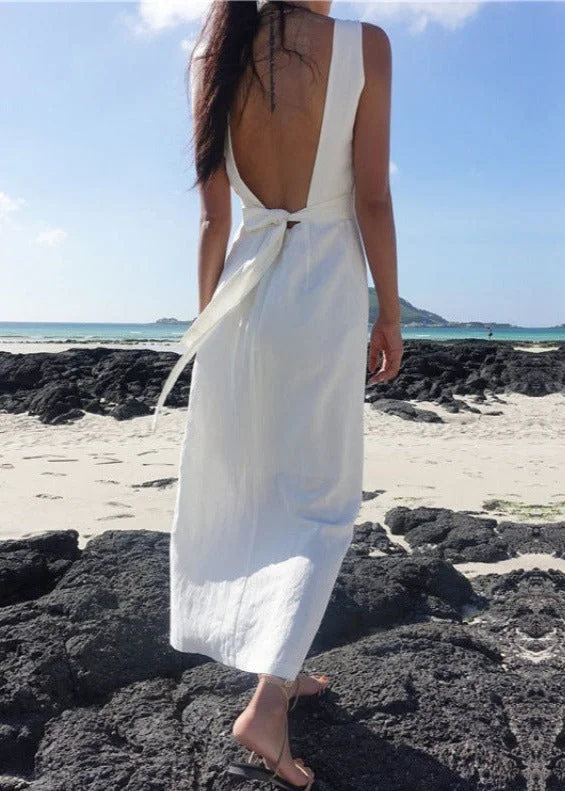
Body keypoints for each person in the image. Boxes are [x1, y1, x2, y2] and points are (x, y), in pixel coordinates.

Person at [153, 1, 403, 788]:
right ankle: (265, 706)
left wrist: (207, 326)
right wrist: (390, 312)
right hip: (320, 292)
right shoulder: (363, 45)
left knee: (256, 487)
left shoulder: (217, 53)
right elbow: (370, 198)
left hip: (239, 295)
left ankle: (281, 665)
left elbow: (212, 217)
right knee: (319, 501)